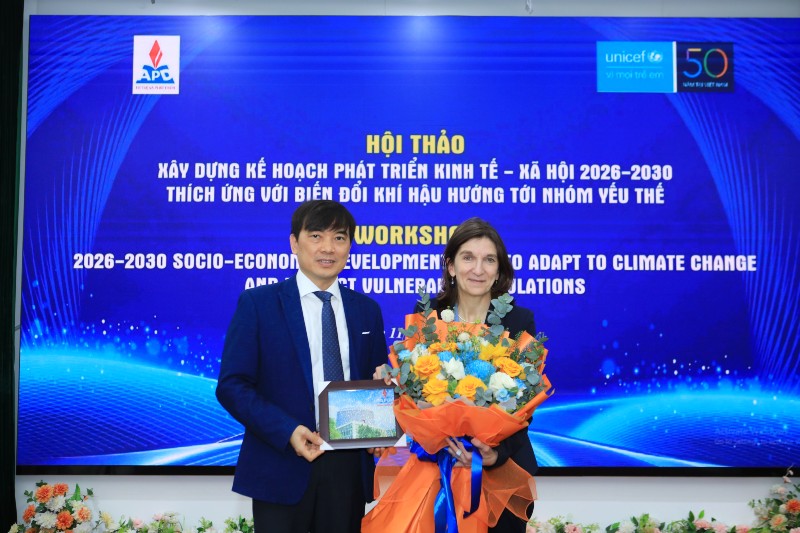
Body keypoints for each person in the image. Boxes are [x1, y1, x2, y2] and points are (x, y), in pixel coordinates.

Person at [216, 200, 388, 533]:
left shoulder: (367, 310)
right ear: (294, 243)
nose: (328, 248)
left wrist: (379, 427)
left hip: (346, 472)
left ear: (350, 247)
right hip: (280, 464)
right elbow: (232, 385)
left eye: (339, 238)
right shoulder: (259, 304)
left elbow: (374, 382)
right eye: (316, 236)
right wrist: (288, 431)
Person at [415, 217, 539, 532]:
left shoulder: (519, 320)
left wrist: (493, 454)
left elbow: (525, 403)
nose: (478, 269)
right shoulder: (426, 316)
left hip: (500, 472)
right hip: (439, 468)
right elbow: (414, 390)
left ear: (499, 270)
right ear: (451, 266)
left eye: (489, 260)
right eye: (468, 258)